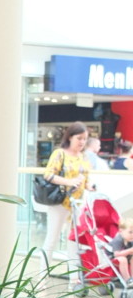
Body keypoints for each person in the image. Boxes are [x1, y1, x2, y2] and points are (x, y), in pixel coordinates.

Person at [41, 121, 97, 289]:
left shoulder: (84, 157)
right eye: (79, 138)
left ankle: (75, 279)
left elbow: (86, 179)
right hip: (60, 202)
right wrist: (69, 182)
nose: (81, 142)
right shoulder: (60, 154)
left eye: (84, 139)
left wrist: (89, 187)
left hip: (76, 204)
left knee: (73, 241)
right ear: (70, 137)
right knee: (52, 239)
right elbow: (48, 175)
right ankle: (42, 277)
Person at [111, 217, 133, 285]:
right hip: (113, 257)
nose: (132, 235)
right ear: (121, 231)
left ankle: (132, 278)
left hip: (125, 256)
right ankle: (127, 280)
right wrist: (130, 250)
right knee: (123, 259)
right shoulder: (118, 240)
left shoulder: (129, 240)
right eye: (130, 232)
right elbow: (116, 254)